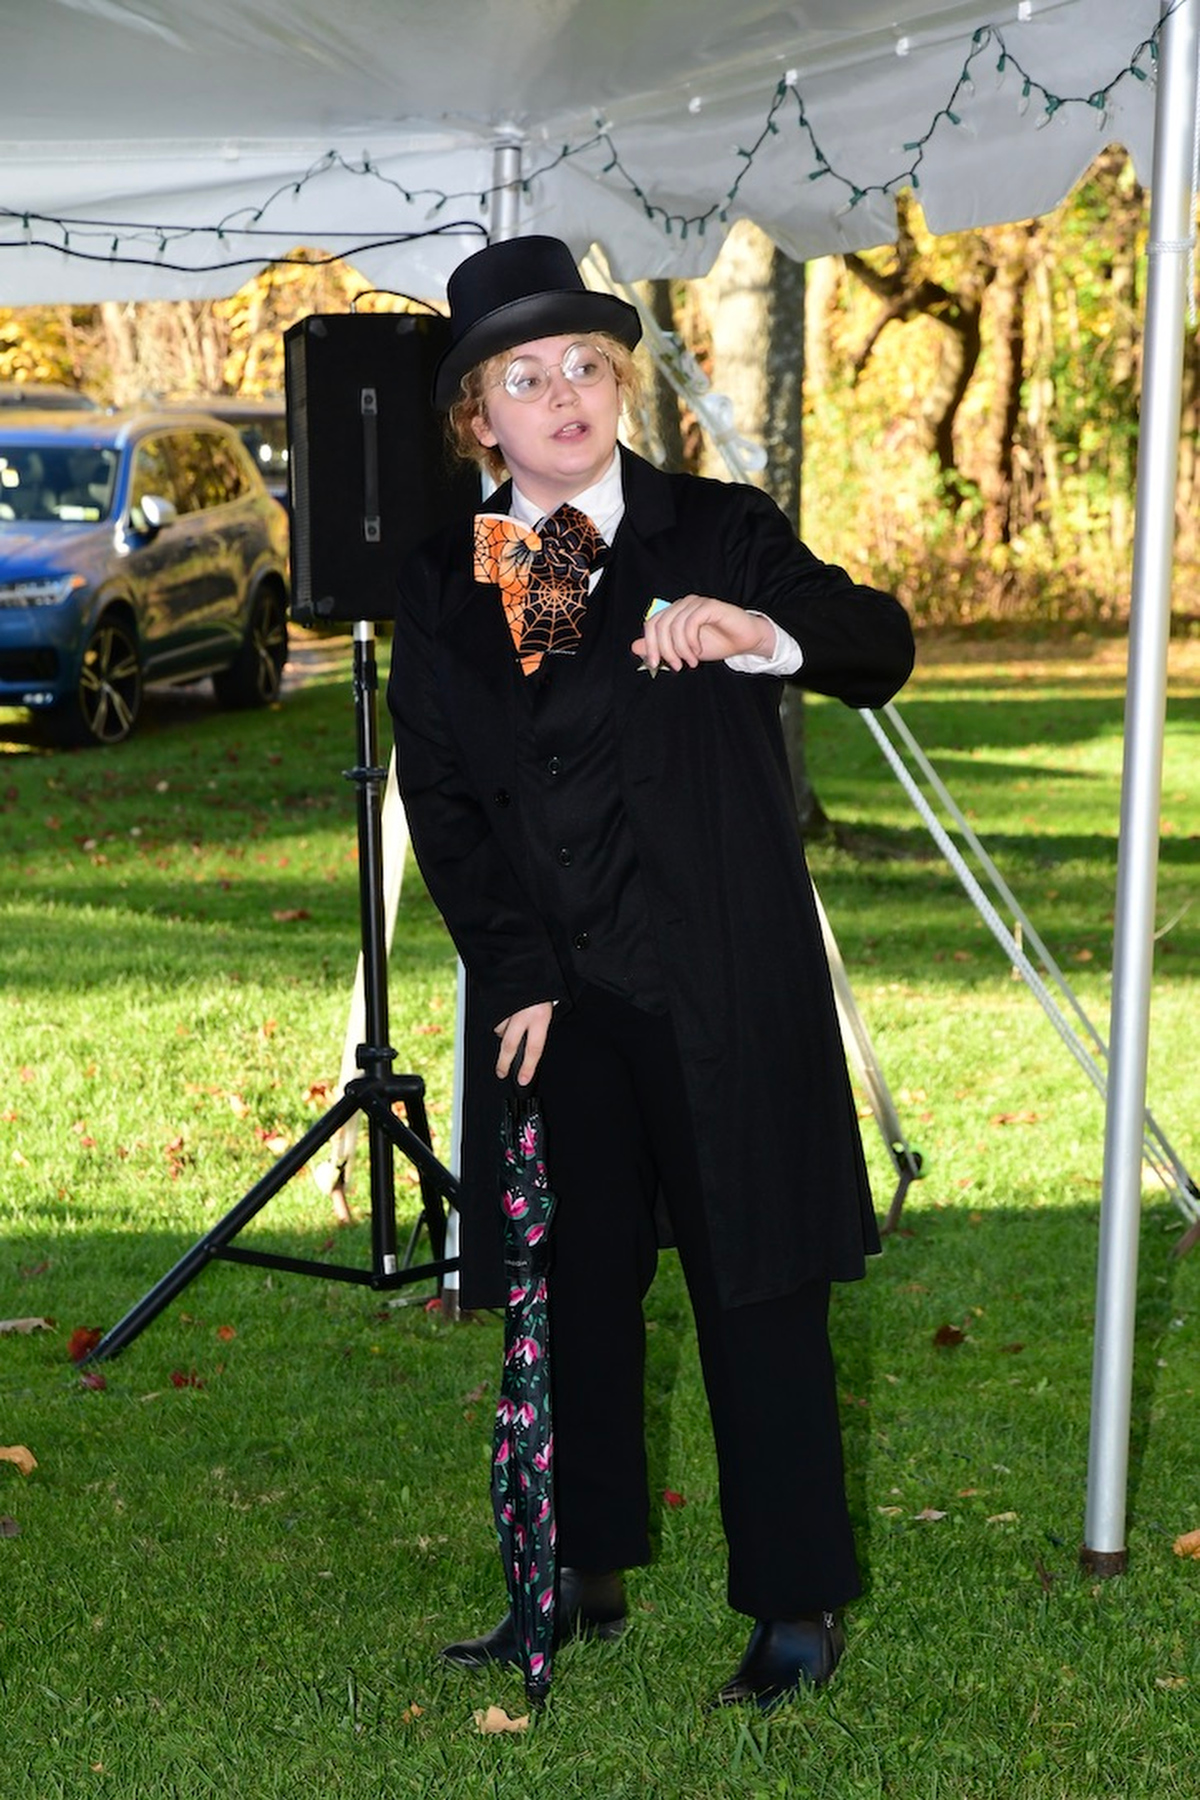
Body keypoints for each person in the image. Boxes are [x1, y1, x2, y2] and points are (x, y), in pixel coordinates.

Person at [387, 235, 915, 1710]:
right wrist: (515, 969)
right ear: (477, 417)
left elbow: (881, 645)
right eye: (526, 373)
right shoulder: (451, 575)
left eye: (588, 366)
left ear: (620, 385)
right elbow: (448, 790)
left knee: (759, 1283)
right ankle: (577, 1568)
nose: (565, 391)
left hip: (721, 981)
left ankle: (796, 1605)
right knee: (571, 1286)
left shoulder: (717, 527)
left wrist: (767, 634)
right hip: (557, 999)